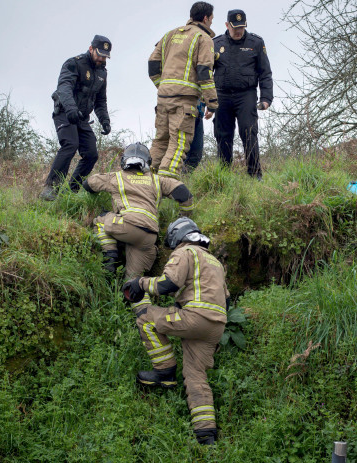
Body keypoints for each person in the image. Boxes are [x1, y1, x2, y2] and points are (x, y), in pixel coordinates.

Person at [122, 217, 229, 445]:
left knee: (146, 318)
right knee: (196, 376)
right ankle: (206, 436)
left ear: (177, 236)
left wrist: (139, 283)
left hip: (195, 318)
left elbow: (166, 285)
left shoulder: (185, 252)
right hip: (216, 326)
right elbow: (225, 302)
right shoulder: (216, 263)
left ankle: (164, 372)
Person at [83, 143, 193, 279]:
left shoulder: (115, 177)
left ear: (124, 160)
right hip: (149, 236)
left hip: (127, 226)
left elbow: (88, 184)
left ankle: (110, 259)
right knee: (134, 287)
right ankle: (139, 298)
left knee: (101, 220)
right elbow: (184, 194)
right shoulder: (157, 180)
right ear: (148, 162)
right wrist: (184, 218)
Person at [148, 2, 219, 180]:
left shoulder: (169, 35)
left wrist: (162, 85)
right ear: (205, 18)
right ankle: (166, 186)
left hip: (163, 98)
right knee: (178, 145)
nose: (211, 22)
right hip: (184, 101)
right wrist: (212, 102)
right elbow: (204, 72)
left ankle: (144, 183)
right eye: (211, 19)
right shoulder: (203, 38)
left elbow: (152, 65)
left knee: (160, 142)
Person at [40, 35, 112, 201]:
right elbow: (64, 87)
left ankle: (72, 190)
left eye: (105, 56)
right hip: (65, 112)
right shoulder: (74, 63)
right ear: (91, 49)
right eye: (99, 54)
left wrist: (105, 120)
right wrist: (71, 109)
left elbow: (101, 100)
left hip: (82, 117)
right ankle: (51, 188)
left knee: (91, 153)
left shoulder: (102, 73)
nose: (101, 59)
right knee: (70, 144)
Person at [212, 10, 273, 179]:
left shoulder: (256, 42)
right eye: (234, 28)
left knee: (249, 132)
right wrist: (207, 101)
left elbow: (265, 73)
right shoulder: (215, 44)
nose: (238, 31)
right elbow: (206, 73)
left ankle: (255, 175)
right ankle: (224, 176)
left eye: (242, 27)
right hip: (222, 95)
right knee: (223, 135)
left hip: (246, 95)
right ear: (227, 25)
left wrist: (266, 98)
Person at [183, 101, 206, 173]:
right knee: (179, 152)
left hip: (199, 115)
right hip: (183, 114)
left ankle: (184, 180)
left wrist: (211, 107)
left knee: (196, 155)